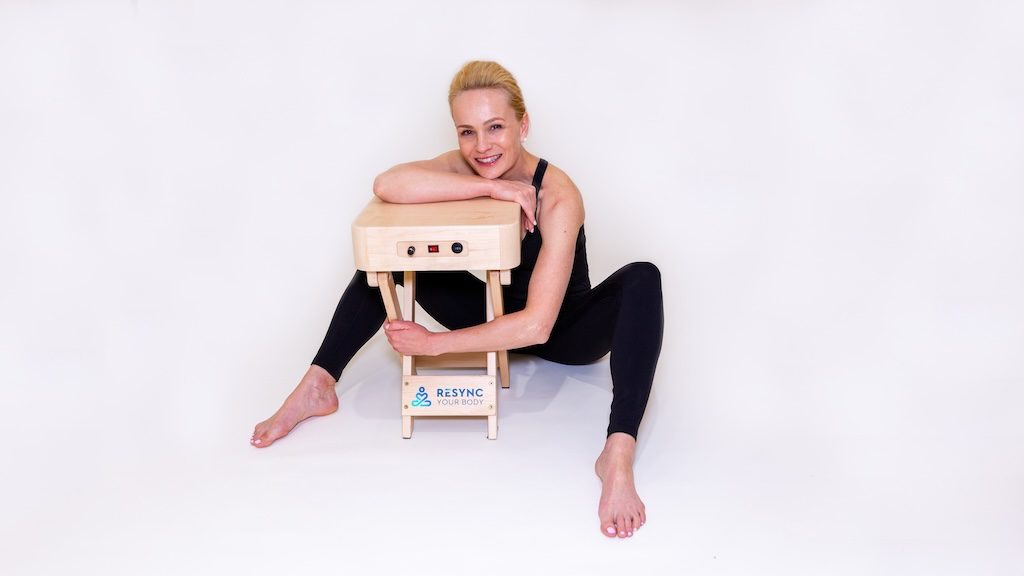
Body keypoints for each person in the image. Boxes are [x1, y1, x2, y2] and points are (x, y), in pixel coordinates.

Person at [251, 61, 664, 539]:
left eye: (495, 127)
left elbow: (538, 325)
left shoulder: (558, 194)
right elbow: (387, 185)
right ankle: (318, 385)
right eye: (468, 132)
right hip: (491, 314)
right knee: (384, 259)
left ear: (523, 126)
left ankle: (617, 454)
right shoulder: (473, 166)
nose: (482, 145)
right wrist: (491, 187)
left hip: (564, 330)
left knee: (643, 278)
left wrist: (432, 345)